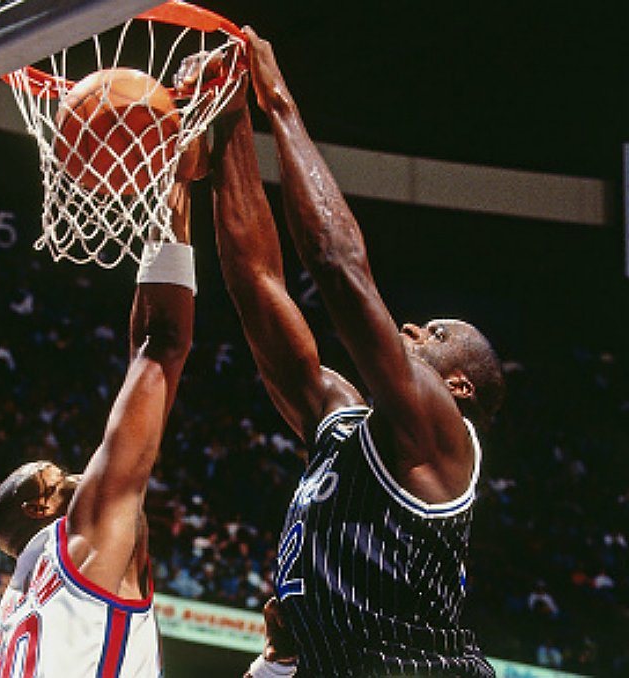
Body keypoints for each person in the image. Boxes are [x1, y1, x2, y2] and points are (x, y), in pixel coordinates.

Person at [212, 27, 504, 677]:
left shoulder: (443, 434)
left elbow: (337, 266)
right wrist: (226, 119)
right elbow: (257, 284)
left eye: (436, 334)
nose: (412, 327)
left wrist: (278, 102)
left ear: (458, 386)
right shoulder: (341, 421)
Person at [0, 163, 200, 675]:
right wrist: (173, 183)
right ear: (40, 507)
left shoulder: (11, 616)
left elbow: (153, 353)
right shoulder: (78, 547)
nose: (83, 476)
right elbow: (159, 346)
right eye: (61, 478)